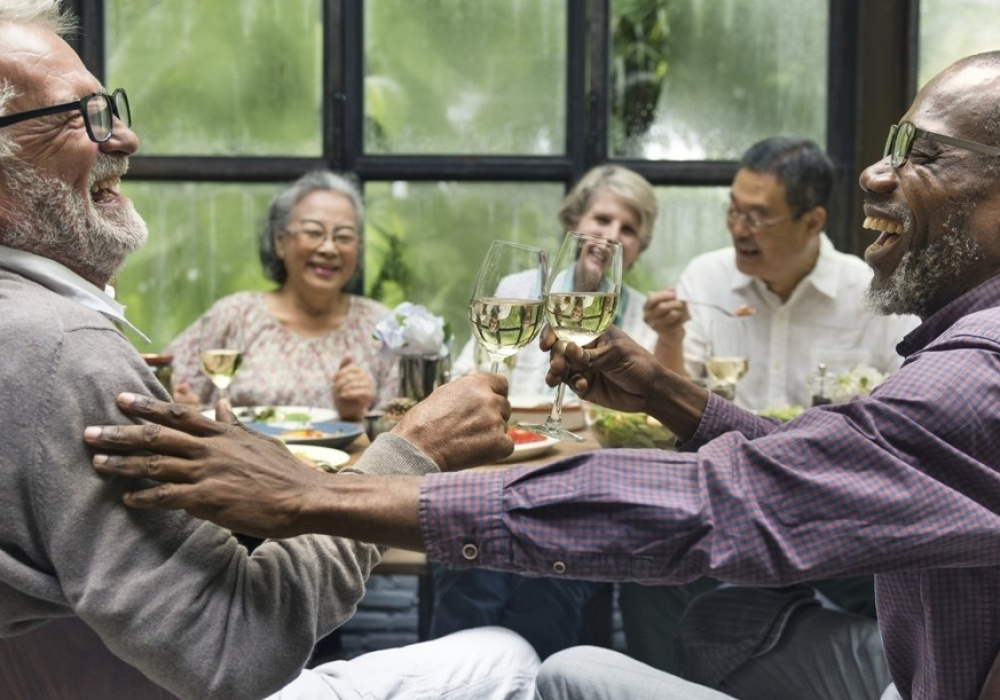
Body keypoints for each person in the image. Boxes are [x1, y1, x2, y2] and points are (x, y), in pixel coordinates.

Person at [85, 50, 1000, 699]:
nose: (876, 176)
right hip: (905, 664)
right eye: (891, 143)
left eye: (921, 154)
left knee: (547, 664)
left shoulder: (975, 377)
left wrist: (318, 497)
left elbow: (735, 506)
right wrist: (674, 397)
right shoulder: (963, 355)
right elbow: (831, 468)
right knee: (622, 650)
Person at [0, 3, 539, 699]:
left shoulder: (41, 337)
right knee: (510, 656)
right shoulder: (67, 350)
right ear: (282, 242)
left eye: (112, 108)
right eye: (81, 117)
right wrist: (413, 449)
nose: (126, 138)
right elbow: (235, 648)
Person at [620, 136, 919, 682]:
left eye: (758, 217)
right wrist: (669, 336)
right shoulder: (707, 279)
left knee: (904, 576)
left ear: (812, 221)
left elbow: (910, 407)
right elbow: (663, 408)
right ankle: (661, 689)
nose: (738, 228)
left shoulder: (871, 292)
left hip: (838, 514)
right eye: (734, 209)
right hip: (729, 504)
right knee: (647, 560)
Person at [436, 164, 661, 658]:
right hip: (496, 471)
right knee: (472, 575)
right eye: (602, 219)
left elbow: (642, 421)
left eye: (629, 229)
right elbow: (466, 377)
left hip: (582, 486)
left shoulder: (644, 317)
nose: (611, 235)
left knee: (549, 587)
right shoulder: (519, 288)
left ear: (639, 247)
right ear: (573, 220)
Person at [168, 169, 397, 422]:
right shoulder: (235, 315)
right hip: (240, 461)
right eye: (313, 232)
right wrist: (178, 404)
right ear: (279, 241)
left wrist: (356, 414)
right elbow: (164, 388)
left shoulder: (382, 327)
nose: (330, 248)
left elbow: (400, 428)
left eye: (344, 237)